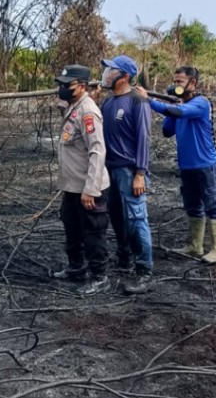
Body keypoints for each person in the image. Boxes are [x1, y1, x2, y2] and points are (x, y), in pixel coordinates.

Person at [136, 67, 216, 263]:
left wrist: (149, 101)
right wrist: (171, 108)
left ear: (192, 83)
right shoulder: (180, 107)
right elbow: (168, 131)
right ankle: (195, 246)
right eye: (174, 81)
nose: (176, 85)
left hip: (205, 164)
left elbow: (179, 112)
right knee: (192, 206)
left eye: (180, 82)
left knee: (212, 205)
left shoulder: (201, 103)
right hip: (187, 166)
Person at [53, 64, 112, 295]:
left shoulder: (88, 112)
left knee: (93, 233)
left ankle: (99, 277)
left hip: (88, 187)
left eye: (67, 85)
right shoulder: (72, 106)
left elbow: (97, 152)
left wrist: (91, 190)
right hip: (72, 186)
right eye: (60, 84)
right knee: (72, 228)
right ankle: (76, 267)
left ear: (82, 87)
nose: (62, 89)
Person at [99, 54, 155, 294]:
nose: (106, 75)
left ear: (124, 76)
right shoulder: (108, 103)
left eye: (111, 71)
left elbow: (144, 139)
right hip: (109, 169)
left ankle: (145, 271)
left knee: (136, 218)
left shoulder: (137, 103)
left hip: (129, 169)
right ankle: (124, 258)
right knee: (117, 216)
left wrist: (140, 173)